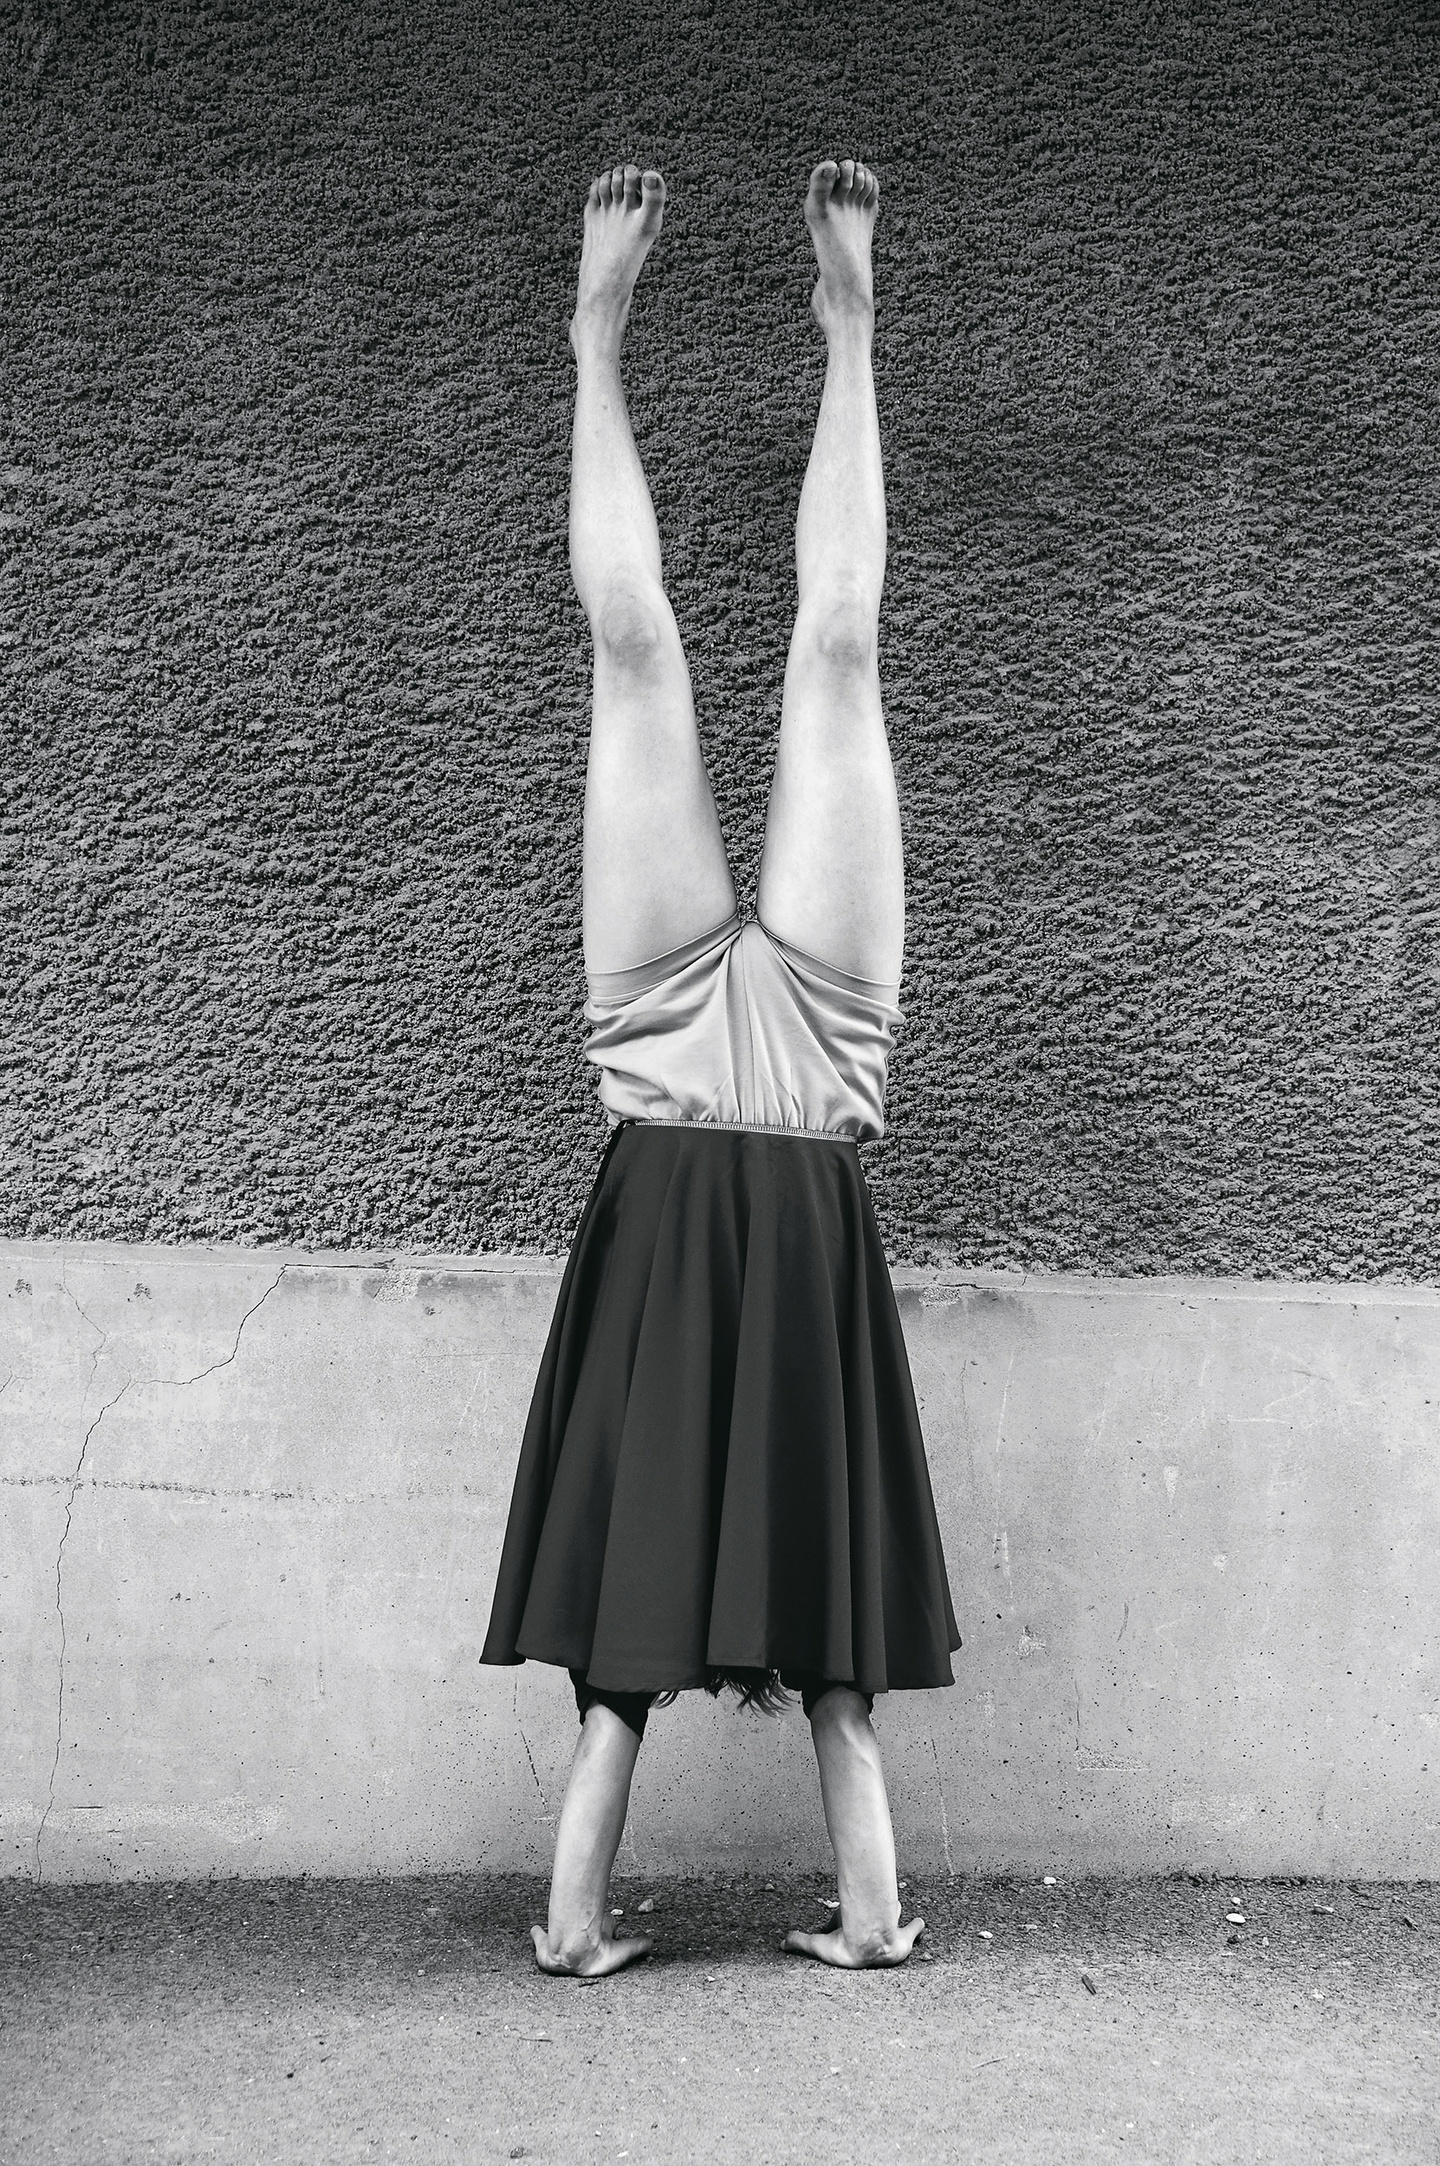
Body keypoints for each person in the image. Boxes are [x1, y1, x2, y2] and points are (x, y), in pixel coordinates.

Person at [481, 156, 960, 1976]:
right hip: (733, 1079)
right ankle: (595, 336)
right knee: (643, 650)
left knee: (835, 652)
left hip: (735, 1090)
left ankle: (851, 324)